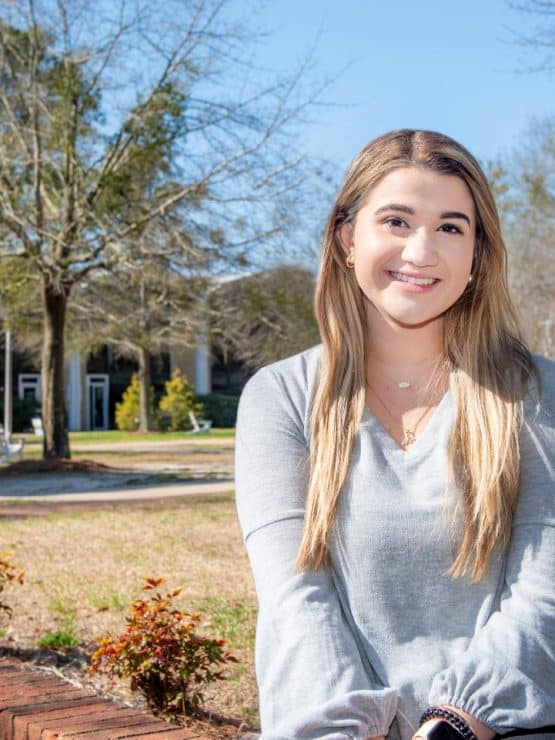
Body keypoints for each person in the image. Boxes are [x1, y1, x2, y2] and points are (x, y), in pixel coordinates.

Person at [234, 129, 555, 740]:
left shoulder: (539, 393)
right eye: (397, 221)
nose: (422, 250)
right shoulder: (281, 397)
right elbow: (295, 598)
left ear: (477, 254)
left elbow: (548, 590)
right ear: (347, 237)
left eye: (452, 227)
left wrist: (455, 723)